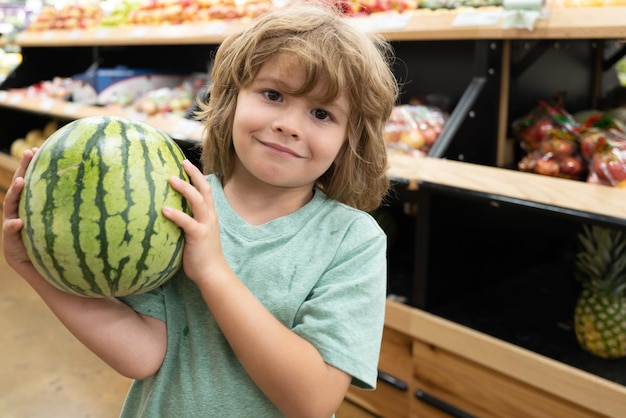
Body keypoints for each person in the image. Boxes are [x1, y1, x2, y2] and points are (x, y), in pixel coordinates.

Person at [2, 2, 399, 416]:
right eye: (273, 94)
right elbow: (145, 354)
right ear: (231, 98)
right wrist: (39, 269)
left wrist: (212, 273)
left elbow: (313, 400)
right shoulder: (176, 199)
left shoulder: (353, 242)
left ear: (350, 139)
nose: (290, 124)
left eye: (321, 113)